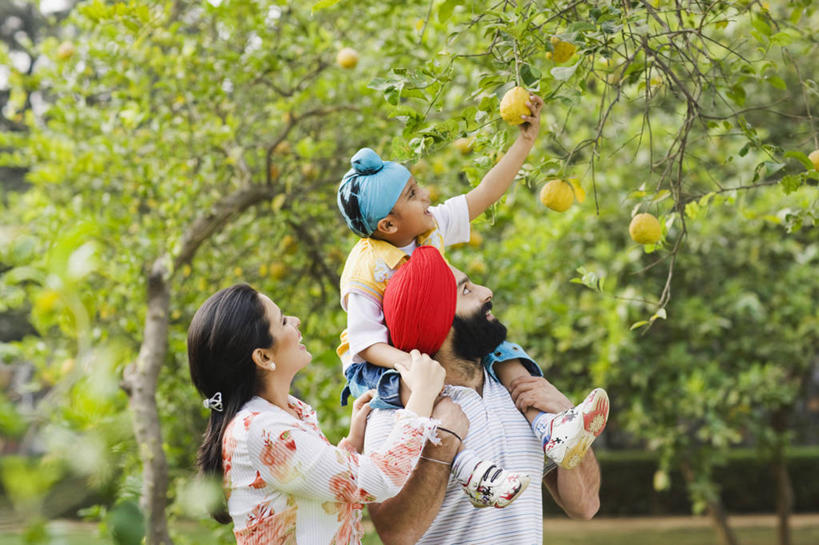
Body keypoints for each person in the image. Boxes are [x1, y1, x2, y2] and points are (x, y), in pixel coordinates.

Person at [335, 92, 546, 507]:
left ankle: (550, 425)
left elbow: (484, 195)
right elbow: (363, 341)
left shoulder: (427, 229)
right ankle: (471, 470)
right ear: (388, 223)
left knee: (502, 350)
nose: (427, 195)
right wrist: (410, 367)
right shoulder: (366, 266)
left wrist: (524, 143)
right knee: (432, 403)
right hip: (382, 366)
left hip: (427, 347)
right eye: (414, 194)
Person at [186, 283, 467, 545]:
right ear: (264, 358)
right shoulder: (261, 430)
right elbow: (379, 480)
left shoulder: (285, 414)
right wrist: (422, 395)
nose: (295, 321)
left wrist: (351, 447)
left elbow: (313, 493)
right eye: (283, 320)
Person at [364, 246, 606, 544]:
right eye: (466, 291)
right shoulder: (396, 413)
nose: (486, 292)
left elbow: (585, 505)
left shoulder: (519, 391)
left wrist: (570, 416)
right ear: (437, 321)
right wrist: (442, 445)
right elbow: (394, 533)